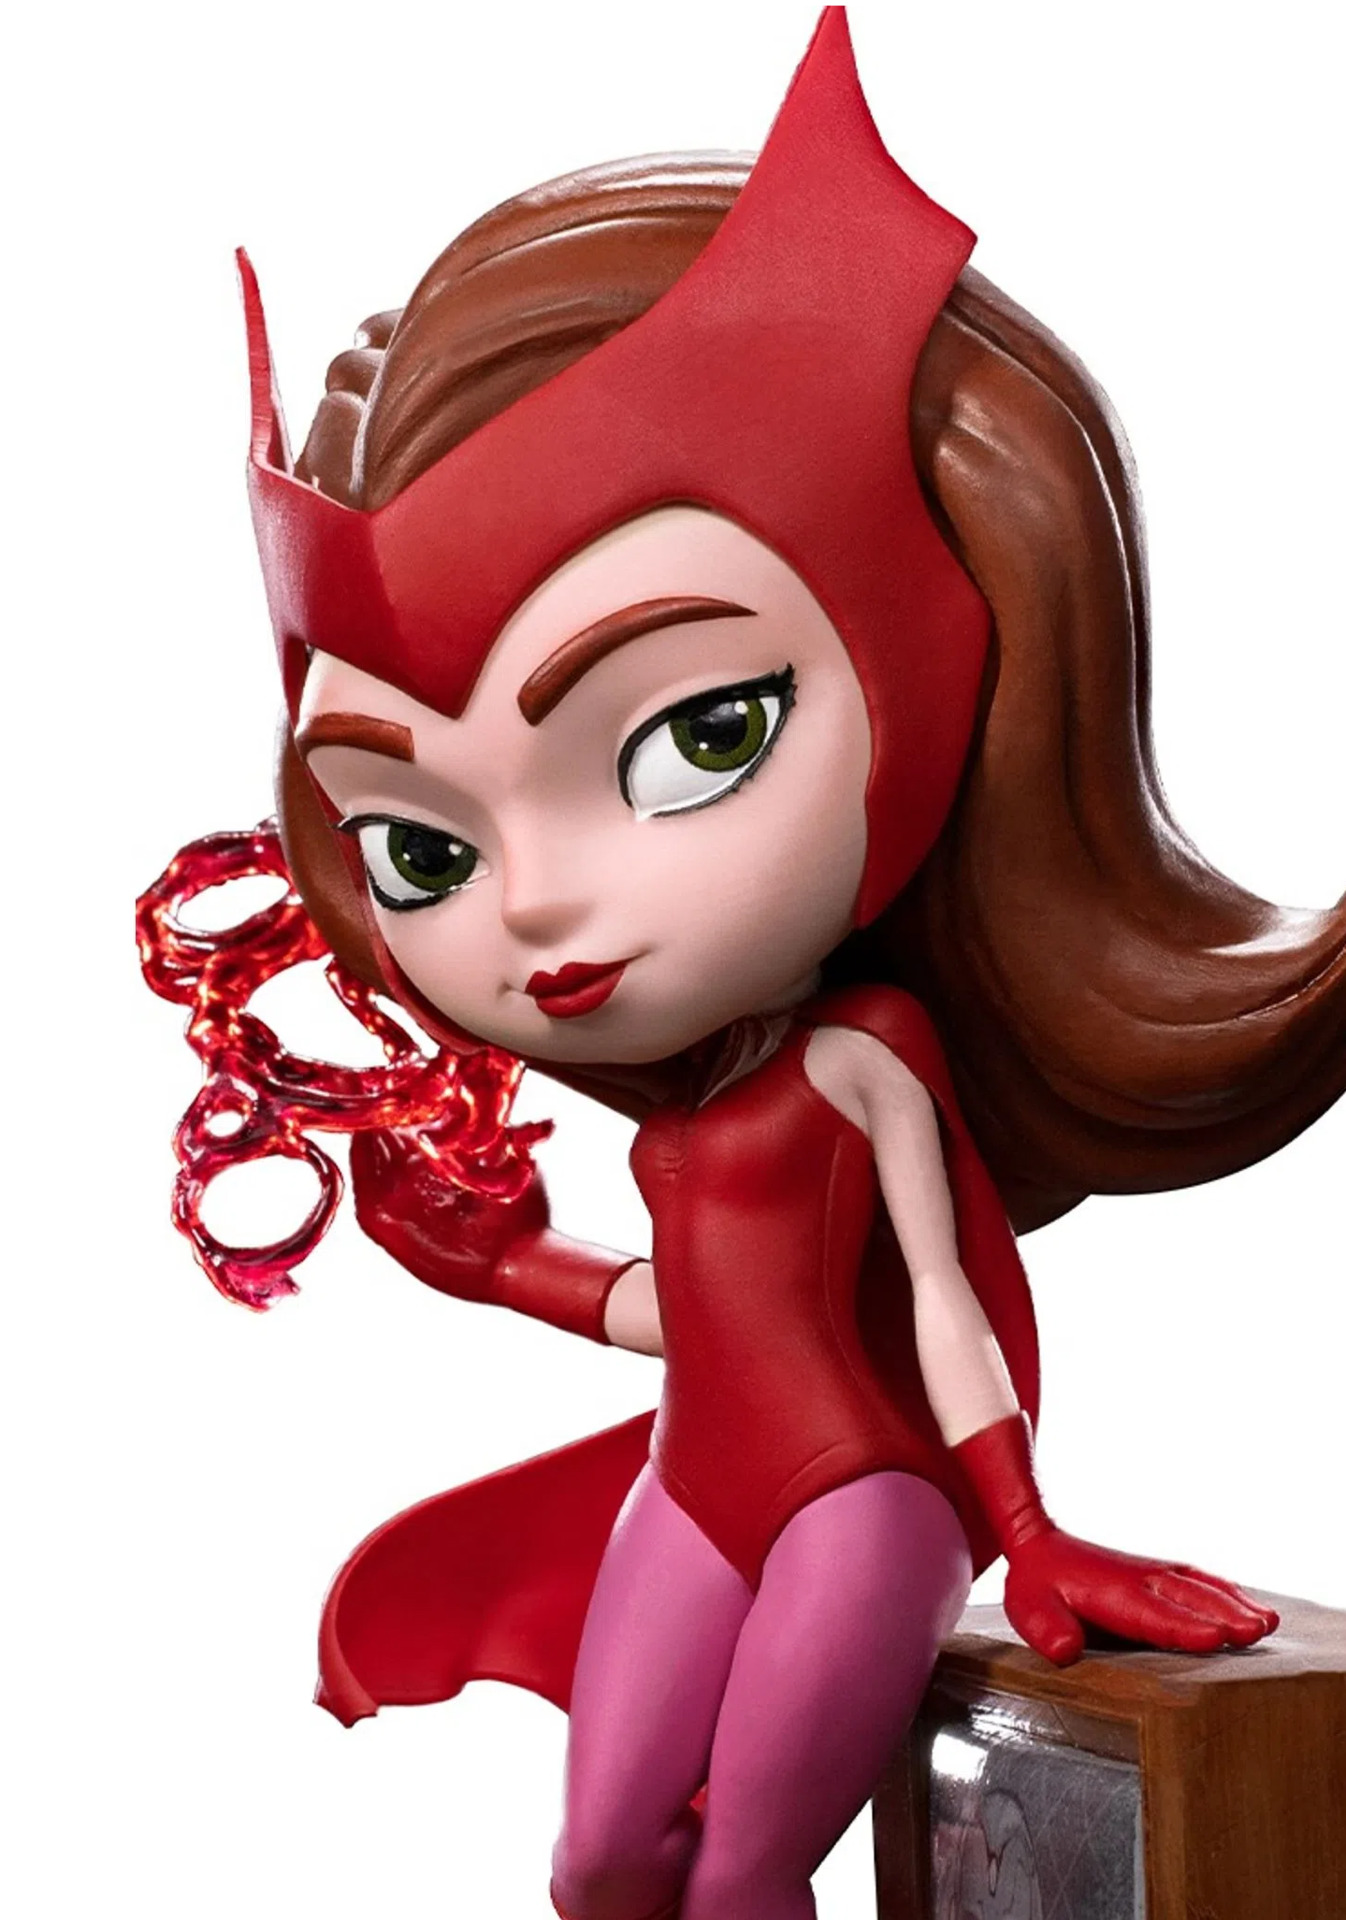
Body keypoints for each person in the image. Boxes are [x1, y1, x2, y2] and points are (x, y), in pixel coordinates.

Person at [138, 12, 1344, 1919]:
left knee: (740, 1885)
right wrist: (498, 1265)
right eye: (426, 849)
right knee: (602, 1864)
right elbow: (683, 1316)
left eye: (697, 736)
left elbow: (942, 1301)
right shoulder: (687, 1099)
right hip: (692, 1486)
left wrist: (1024, 1525)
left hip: (863, 1502)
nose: (538, 911)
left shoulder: (870, 1047)